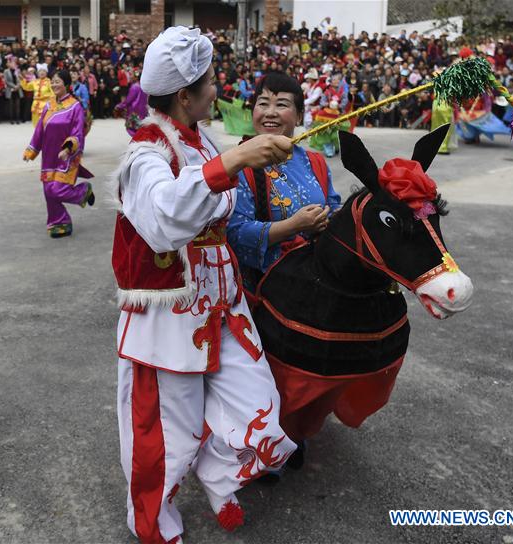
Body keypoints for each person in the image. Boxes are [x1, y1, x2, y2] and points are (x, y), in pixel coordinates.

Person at [111, 26, 297, 544]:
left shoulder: (201, 139)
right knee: (170, 432)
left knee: (258, 406)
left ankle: (218, 477)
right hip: (170, 317)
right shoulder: (143, 155)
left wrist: (236, 157)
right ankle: (153, 520)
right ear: (184, 96)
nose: (219, 90)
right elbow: (164, 219)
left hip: (223, 303)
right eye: (211, 82)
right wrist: (234, 161)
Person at [228, 71, 341, 293]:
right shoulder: (238, 163)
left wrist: (337, 216)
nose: (270, 113)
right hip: (268, 293)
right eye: (262, 104)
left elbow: (333, 205)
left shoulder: (315, 161)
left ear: (299, 115)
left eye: (281, 105)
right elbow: (235, 234)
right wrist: (293, 226)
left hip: (316, 284)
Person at [23, 70, 95, 238]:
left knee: (57, 189)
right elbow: (40, 130)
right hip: (48, 156)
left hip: (66, 156)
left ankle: (82, 192)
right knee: (49, 191)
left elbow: (78, 132)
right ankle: (59, 222)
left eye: (58, 82)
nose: (54, 84)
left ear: (66, 84)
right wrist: (31, 150)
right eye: (53, 81)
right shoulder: (48, 105)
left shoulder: (75, 106)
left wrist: (68, 148)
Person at [2, 57, 22, 124]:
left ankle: (17, 119)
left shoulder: (18, 71)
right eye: (12, 63)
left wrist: (17, 86)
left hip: (18, 90)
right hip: (10, 90)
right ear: (9, 64)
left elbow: (20, 79)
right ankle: (11, 119)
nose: (13, 65)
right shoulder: (6, 71)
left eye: (14, 64)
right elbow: (7, 81)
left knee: (17, 106)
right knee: (10, 106)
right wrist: (14, 86)